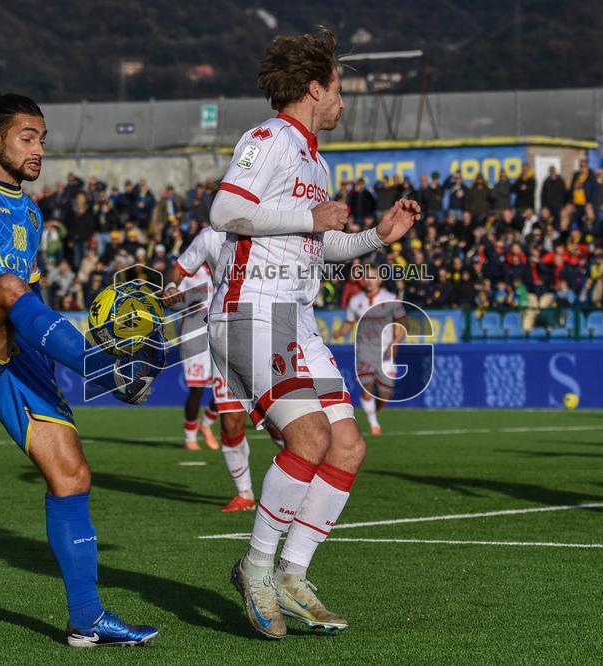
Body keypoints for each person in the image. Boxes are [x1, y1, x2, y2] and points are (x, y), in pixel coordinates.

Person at [0, 89, 161, 647]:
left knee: (71, 474)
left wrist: (51, 363)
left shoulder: (31, 211)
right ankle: (105, 368)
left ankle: (85, 620)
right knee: (5, 288)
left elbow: (31, 302)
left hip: (12, 352)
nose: (39, 148)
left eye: (42, 138)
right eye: (28, 137)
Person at [206, 27, 419, 639]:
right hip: (251, 311)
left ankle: (294, 573)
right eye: (339, 92)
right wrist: (307, 215)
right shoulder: (266, 139)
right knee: (309, 437)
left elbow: (320, 246)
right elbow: (225, 212)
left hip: (296, 317)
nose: (343, 105)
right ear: (313, 88)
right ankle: (256, 569)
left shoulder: (317, 161)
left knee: (347, 445)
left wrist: (378, 236)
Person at [163, 224, 286, 512]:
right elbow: (180, 268)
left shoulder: (270, 229)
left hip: (265, 329)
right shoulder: (210, 236)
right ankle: (244, 494)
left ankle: (303, 477)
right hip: (224, 333)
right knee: (229, 418)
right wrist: (171, 287)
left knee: (278, 418)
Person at [331, 265, 407, 435]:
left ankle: (377, 408)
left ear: (380, 280)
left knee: (385, 393)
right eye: (366, 277)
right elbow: (349, 324)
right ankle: (374, 425)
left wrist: (395, 342)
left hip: (385, 351)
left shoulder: (390, 299)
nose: (369, 281)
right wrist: (339, 332)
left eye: (373, 277)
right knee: (366, 387)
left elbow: (403, 324)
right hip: (364, 350)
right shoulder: (355, 301)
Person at [167, 250, 220, 452]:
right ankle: (190, 436)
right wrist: (189, 301)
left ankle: (205, 424)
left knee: (231, 386)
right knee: (197, 389)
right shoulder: (186, 273)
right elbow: (170, 300)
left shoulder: (220, 267)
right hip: (194, 334)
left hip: (219, 334)